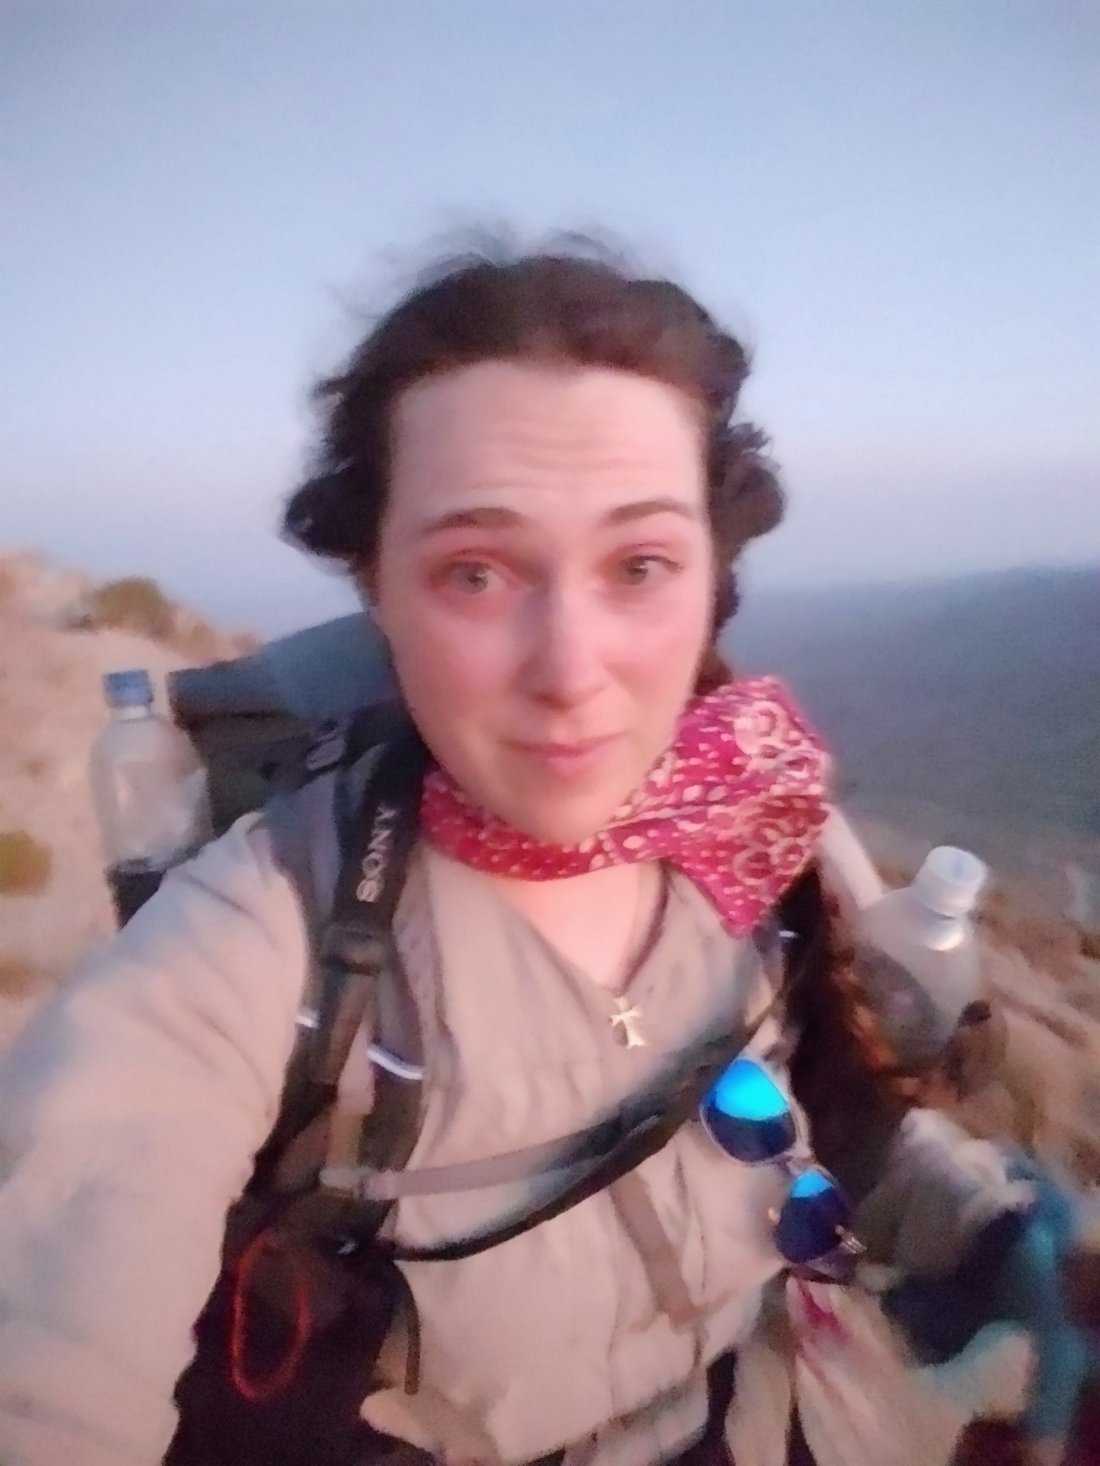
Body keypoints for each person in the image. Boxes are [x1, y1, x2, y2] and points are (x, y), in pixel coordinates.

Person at [0, 239, 1014, 1466]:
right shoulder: (261, 935)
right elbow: (51, 1344)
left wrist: (993, 1226)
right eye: (474, 572)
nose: (570, 669)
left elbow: (820, 1111)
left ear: (711, 577)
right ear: (377, 587)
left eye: (638, 565)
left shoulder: (753, 823)